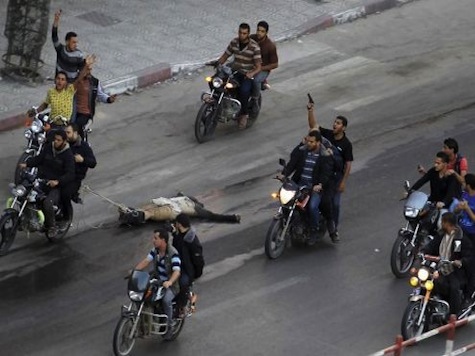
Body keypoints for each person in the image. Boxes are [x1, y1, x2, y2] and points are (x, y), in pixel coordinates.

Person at [280, 130, 335, 244]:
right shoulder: (302, 151)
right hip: (299, 185)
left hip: (313, 188)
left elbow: (326, 173)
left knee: (312, 206)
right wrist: (284, 174)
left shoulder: (325, 156)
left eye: (311, 142)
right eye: (307, 141)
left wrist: (319, 185)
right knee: (284, 201)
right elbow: (292, 164)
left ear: (318, 143)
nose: (308, 143)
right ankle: (287, 225)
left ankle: (314, 230)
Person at [307, 103, 353, 238]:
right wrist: (311, 111)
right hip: (322, 173)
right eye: (334, 122)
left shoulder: (346, 144)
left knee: (335, 203)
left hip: (335, 177)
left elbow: (348, 164)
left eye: (338, 123)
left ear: (343, 127)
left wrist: (343, 182)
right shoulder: (328, 134)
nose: (335, 125)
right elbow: (313, 126)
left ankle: (334, 229)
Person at [18, 130, 75, 237]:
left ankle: (52, 226)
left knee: (47, 202)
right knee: (26, 194)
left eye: (59, 140)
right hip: (42, 180)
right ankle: (25, 218)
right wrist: (27, 164)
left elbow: (70, 174)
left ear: (64, 141)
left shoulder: (68, 155)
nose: (56, 142)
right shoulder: (49, 147)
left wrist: (57, 181)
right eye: (55, 139)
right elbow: (39, 159)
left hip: (56, 186)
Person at [420, 212, 473, 316]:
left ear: (448, 223)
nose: (441, 223)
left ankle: (453, 314)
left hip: (453, 270)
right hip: (438, 265)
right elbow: (432, 245)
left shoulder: (460, 239)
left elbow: (466, 256)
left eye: (442, 222)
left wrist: (460, 261)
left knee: (454, 287)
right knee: (424, 278)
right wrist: (423, 251)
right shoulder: (441, 235)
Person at [134, 228, 181, 340]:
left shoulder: (173, 253)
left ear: (163, 240)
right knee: (142, 295)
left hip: (171, 286)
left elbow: (177, 271)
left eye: (156, 238)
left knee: (166, 300)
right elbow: (146, 261)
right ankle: (144, 326)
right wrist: (135, 271)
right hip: (157, 281)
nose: (153, 240)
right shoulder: (155, 250)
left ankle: (170, 326)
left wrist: (169, 282)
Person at [28, 55, 96, 128]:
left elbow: (79, 79)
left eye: (63, 79)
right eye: (58, 79)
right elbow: (45, 104)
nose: (60, 81)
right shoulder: (51, 92)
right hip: (52, 123)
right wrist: (35, 111)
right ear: (55, 80)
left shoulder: (69, 90)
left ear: (66, 82)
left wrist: (86, 65)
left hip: (65, 125)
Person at [217, 23, 261, 129]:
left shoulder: (254, 47)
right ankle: (216, 103)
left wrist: (251, 73)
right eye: (240, 32)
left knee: (244, 91)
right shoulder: (234, 42)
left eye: (244, 33)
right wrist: (218, 64)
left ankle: (244, 114)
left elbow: (259, 67)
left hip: (247, 74)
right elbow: (225, 55)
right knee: (217, 81)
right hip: (235, 72)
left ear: (248, 34)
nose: (242, 35)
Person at [118, 193, 241, 225]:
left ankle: (131, 214)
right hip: (169, 206)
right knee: (149, 211)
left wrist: (232, 218)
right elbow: (214, 216)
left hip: (170, 208)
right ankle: (131, 213)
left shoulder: (195, 207)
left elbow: (213, 216)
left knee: (150, 211)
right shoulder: (185, 199)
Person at [74, 63, 116, 140]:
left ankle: (83, 143)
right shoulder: (75, 81)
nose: (89, 71)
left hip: (86, 113)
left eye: (90, 69)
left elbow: (100, 95)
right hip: (73, 112)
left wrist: (108, 99)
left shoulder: (94, 82)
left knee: (77, 126)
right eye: (87, 69)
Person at [171, 214, 201, 317]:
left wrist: (195, 274)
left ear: (179, 224)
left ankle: (181, 307)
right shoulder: (179, 236)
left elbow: (198, 259)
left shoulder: (192, 240)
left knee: (182, 284)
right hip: (176, 266)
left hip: (186, 271)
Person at [63, 123, 97, 210]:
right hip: (62, 175)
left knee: (65, 194)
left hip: (75, 178)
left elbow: (93, 163)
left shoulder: (83, 147)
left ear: (75, 133)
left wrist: (82, 160)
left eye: (68, 132)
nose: (66, 135)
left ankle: (67, 216)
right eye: (65, 132)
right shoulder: (63, 144)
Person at [453, 173, 475, 301]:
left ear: (469, 185)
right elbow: (456, 212)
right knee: (456, 256)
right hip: (461, 235)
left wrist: (467, 209)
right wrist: (458, 208)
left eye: (464, 183)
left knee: (470, 264)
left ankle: (469, 296)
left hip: (472, 238)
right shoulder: (465, 195)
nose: (463, 184)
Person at [52, 9, 84, 82]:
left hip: (70, 87)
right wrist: (56, 21)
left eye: (76, 42)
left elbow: (82, 70)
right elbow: (54, 36)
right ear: (67, 42)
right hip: (59, 86)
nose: (76, 45)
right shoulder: (60, 50)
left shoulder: (79, 55)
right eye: (73, 42)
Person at [250, 21, 278, 103]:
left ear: (266, 32)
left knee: (256, 80)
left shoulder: (270, 46)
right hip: (250, 65)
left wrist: (261, 68)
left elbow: (275, 64)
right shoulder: (251, 38)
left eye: (262, 31)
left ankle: (255, 100)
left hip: (263, 69)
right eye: (258, 30)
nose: (259, 33)